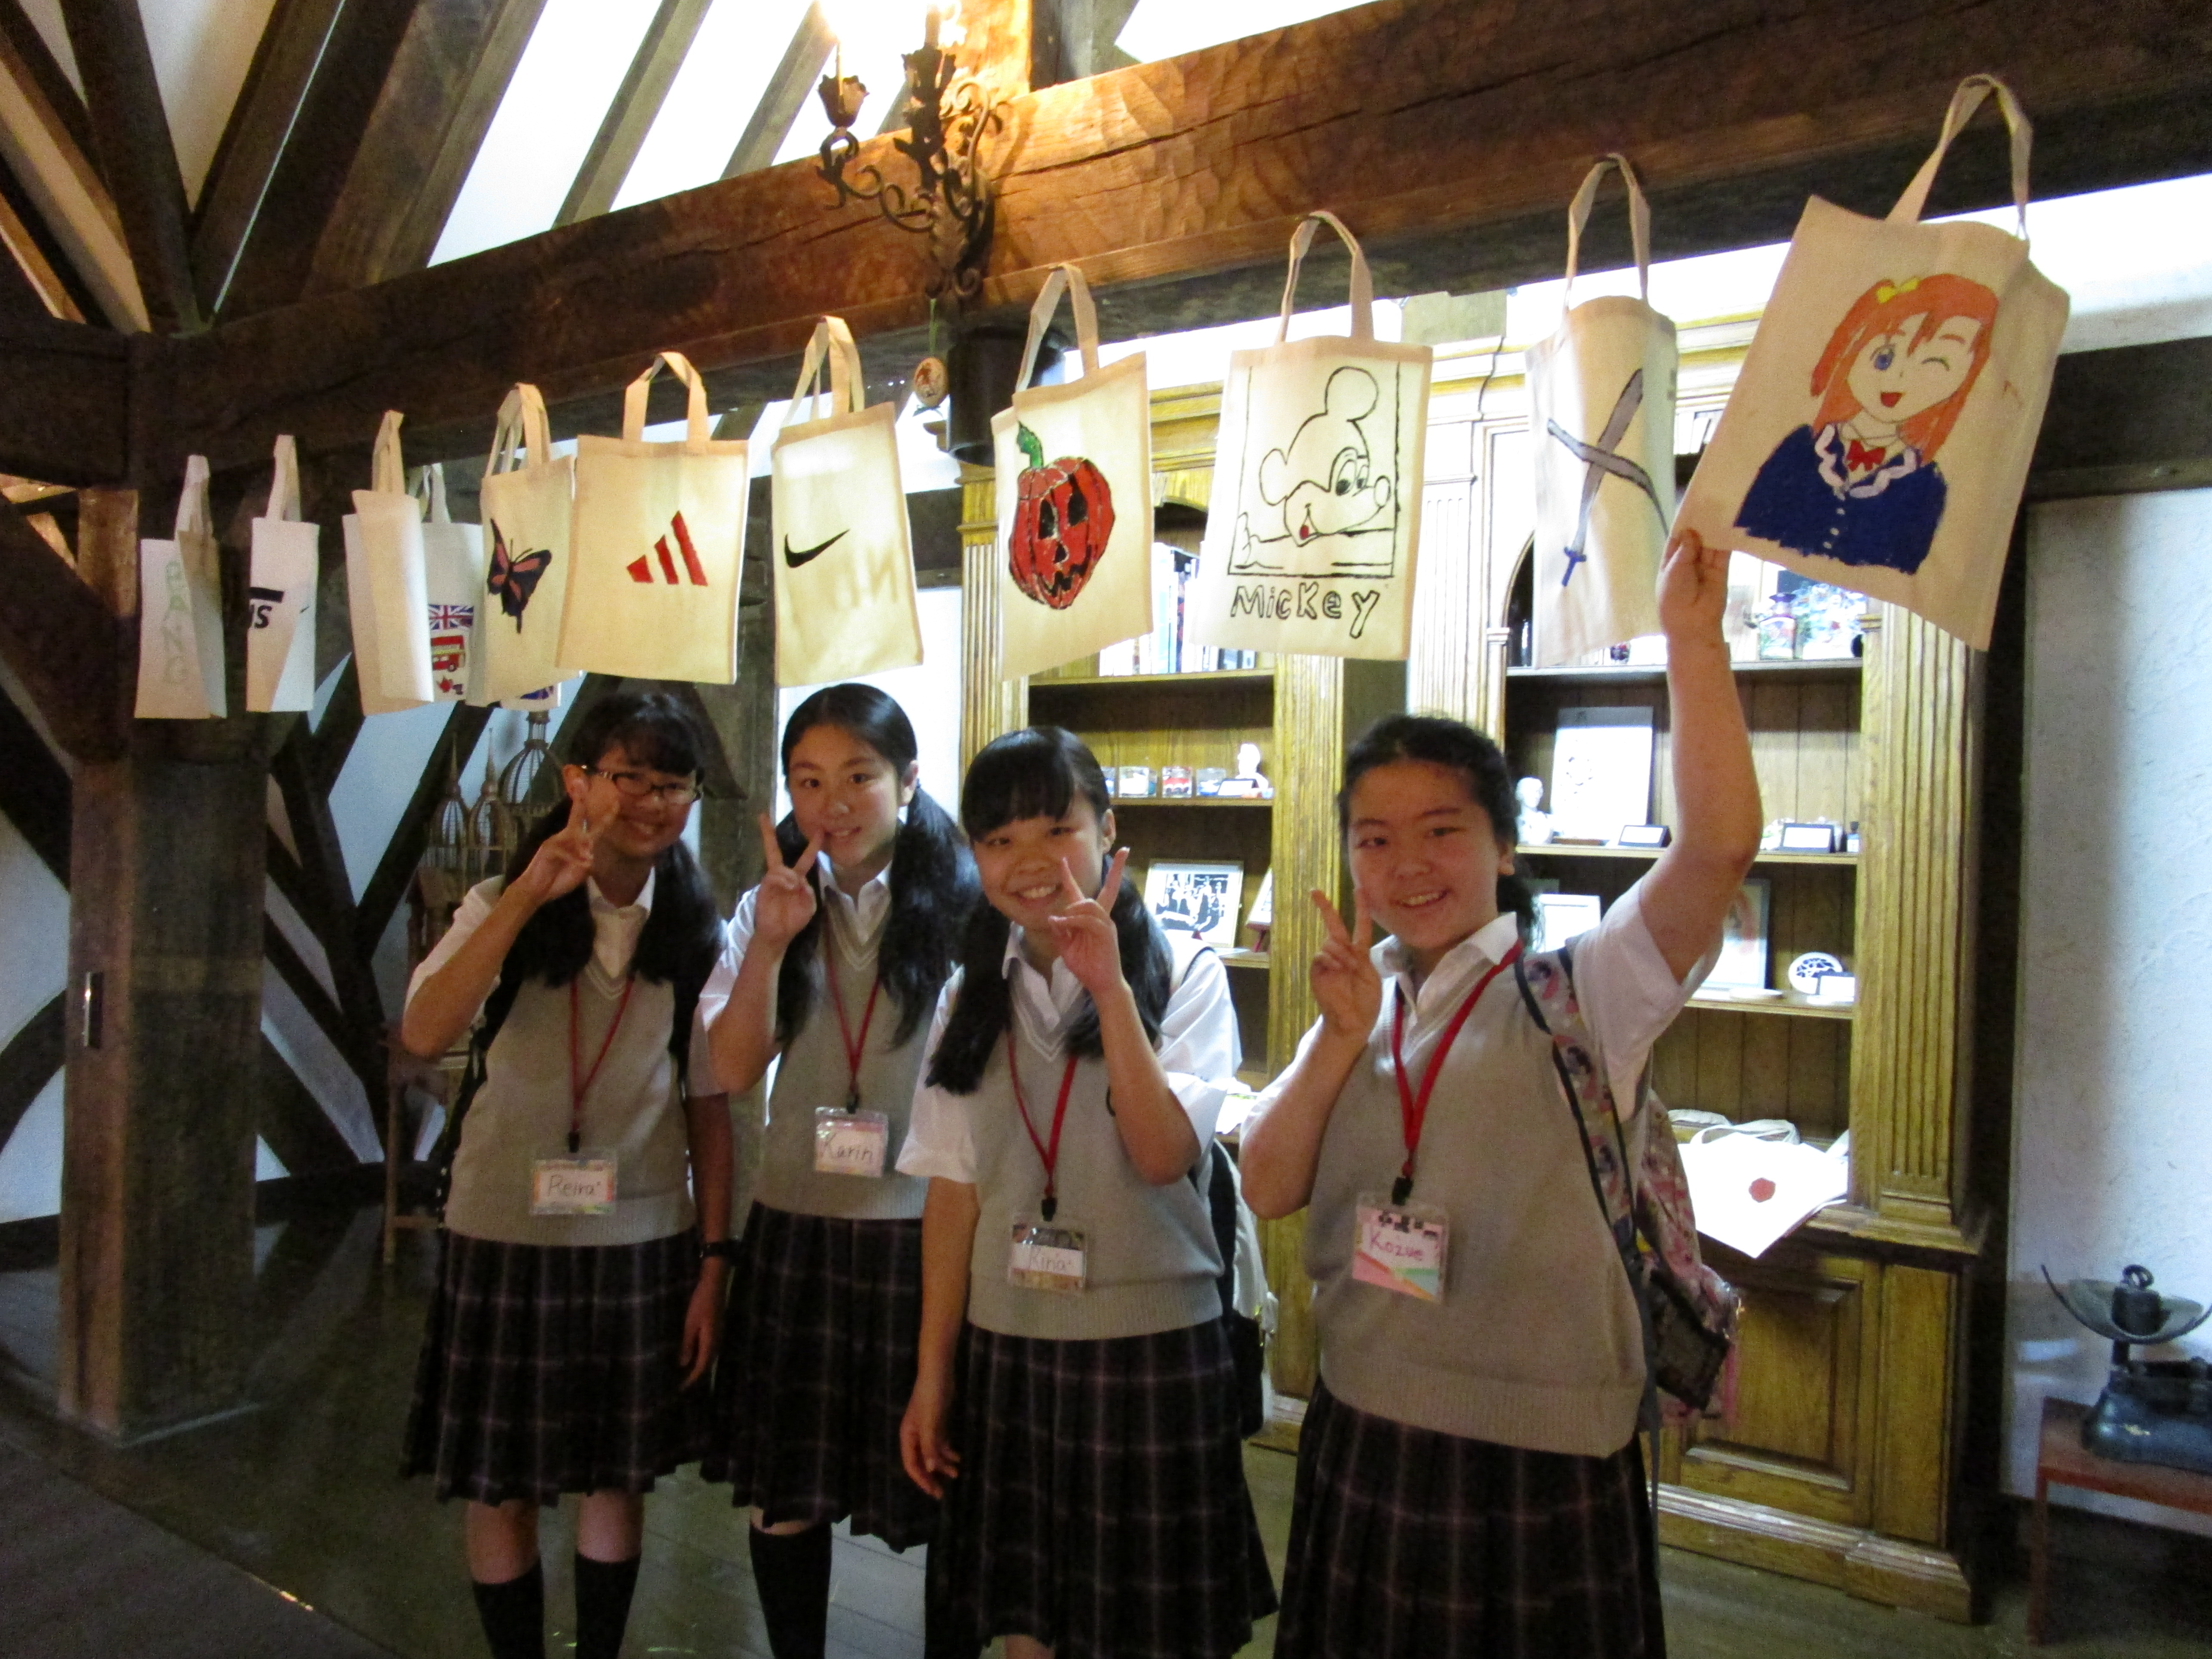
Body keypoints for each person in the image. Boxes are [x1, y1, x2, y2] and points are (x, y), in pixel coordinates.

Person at [1240, 527, 1760, 1659]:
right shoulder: (1358, 1001)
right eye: (1374, 840)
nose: (1406, 865)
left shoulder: (1583, 994)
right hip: (1364, 1422)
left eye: (1443, 832)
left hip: (1541, 1453)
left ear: (1505, 848)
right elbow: (1267, 1187)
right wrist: (1335, 1043)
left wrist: (1692, 641)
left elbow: (1717, 848)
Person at [896, 726, 1277, 1659]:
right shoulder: (968, 994)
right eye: (998, 840)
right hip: (1009, 1344)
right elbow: (953, 1194)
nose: (1029, 862)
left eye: (1055, 829)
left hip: (1150, 1349)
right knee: (1025, 1624)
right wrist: (932, 1374)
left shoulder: (1185, 972)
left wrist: (1109, 991)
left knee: (1146, 1626)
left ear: (1108, 831)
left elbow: (1160, 1152)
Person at [400, 691, 733, 1659]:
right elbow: (422, 1030)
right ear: (576, 781)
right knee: (499, 1480)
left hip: (641, 1234)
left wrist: (715, 1261)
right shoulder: (497, 903)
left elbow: (709, 1109)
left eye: (673, 784)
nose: (653, 802)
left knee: (615, 1475)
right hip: (504, 1229)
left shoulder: (695, 930)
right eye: (630, 777)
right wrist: (524, 897)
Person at [702, 684, 974, 1658]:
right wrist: (772, 943)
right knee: (787, 1489)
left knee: (946, 1483)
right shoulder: (769, 905)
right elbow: (733, 1067)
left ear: (909, 780)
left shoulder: (967, 910)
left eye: (860, 776)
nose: (834, 803)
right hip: (798, 1229)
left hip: (925, 1235)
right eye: (808, 781)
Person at [1735, 272, 1998, 574]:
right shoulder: (1800, 448)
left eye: (1933, 367)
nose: (1899, 378)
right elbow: (1747, 533)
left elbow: (1906, 573)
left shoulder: (1927, 483)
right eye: (1885, 358)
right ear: (1854, 352)